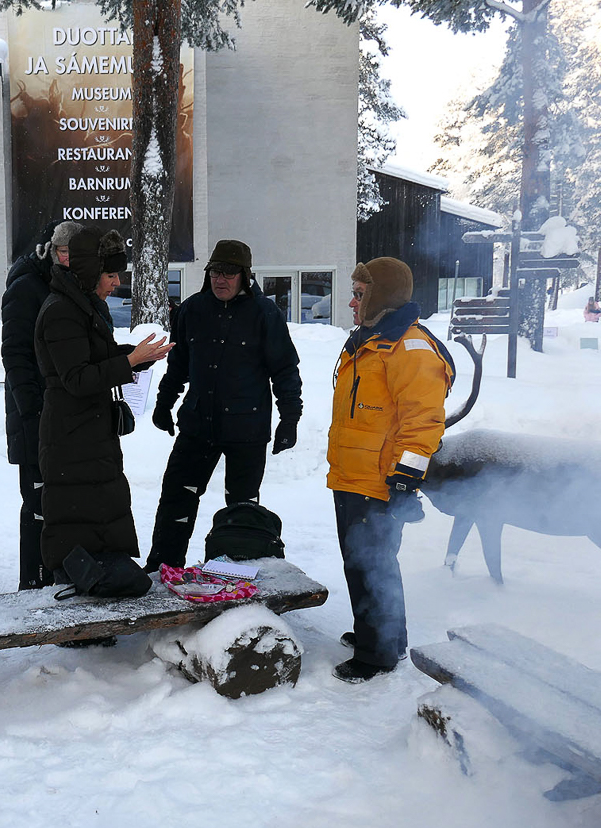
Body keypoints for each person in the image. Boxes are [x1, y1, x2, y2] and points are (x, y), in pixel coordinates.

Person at [327, 258, 455, 683]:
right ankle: (381, 636)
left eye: (360, 294)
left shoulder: (410, 348)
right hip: (353, 475)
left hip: (379, 481)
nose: (351, 301)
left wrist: (404, 480)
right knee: (363, 563)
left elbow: (423, 424)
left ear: (381, 295)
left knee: (373, 565)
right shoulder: (372, 341)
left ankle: (377, 654)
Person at [145, 239, 302, 572]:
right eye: (216, 271)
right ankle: (163, 567)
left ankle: (239, 570)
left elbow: (285, 370)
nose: (222, 279)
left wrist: (289, 420)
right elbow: (178, 366)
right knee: (177, 497)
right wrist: (164, 403)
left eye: (230, 273)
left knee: (243, 507)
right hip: (198, 426)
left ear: (245, 275)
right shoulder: (192, 310)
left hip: (248, 430)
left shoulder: (265, 314)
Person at [34, 225, 172, 580]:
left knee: (98, 516)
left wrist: (140, 356)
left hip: (89, 434)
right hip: (71, 439)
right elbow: (77, 378)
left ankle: (102, 594)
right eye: (111, 275)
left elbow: (98, 358)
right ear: (90, 273)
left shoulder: (82, 306)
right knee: (75, 524)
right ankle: (79, 610)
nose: (116, 283)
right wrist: (129, 362)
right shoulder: (61, 311)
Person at [1, 219, 82, 590]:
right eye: (64, 250)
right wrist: (33, 414)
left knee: (61, 504)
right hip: (32, 415)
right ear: (49, 249)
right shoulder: (26, 287)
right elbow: (16, 357)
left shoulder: (67, 283)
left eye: (75, 251)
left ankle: (57, 583)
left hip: (60, 416)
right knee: (37, 505)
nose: (70, 257)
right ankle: (31, 587)